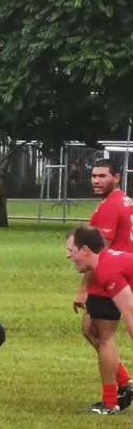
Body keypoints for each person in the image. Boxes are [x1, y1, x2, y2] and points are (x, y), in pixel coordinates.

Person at [67, 225, 133, 429]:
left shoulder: (106, 270)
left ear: (85, 250)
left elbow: (129, 311)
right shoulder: (106, 263)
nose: (68, 256)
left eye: (71, 250)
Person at [72, 159, 133, 414]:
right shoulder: (125, 201)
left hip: (110, 277)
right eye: (94, 176)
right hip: (120, 271)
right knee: (90, 329)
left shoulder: (110, 207)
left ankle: (110, 400)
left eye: (103, 176)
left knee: (104, 336)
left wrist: (83, 289)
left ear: (116, 177)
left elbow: (95, 252)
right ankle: (124, 381)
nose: (96, 181)